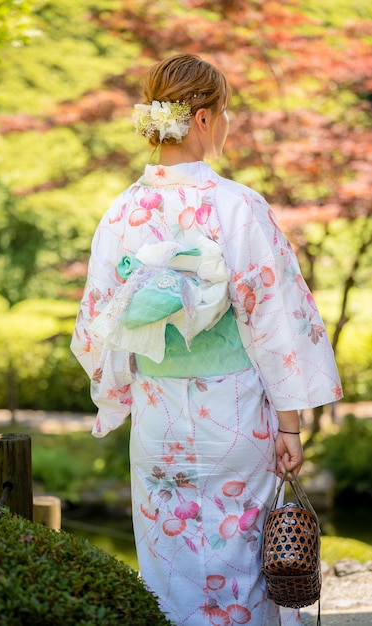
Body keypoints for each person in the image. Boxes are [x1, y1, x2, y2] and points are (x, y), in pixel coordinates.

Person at [71, 53, 342, 626]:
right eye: (223, 114)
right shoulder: (238, 206)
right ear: (200, 118)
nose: (225, 125)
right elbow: (274, 321)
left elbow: (101, 323)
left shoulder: (120, 213)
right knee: (245, 562)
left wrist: (119, 393)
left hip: (157, 414)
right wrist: (290, 425)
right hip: (236, 410)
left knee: (167, 569)